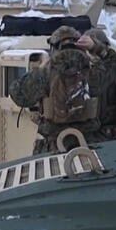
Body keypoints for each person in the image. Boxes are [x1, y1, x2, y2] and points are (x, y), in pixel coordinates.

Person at [9, 26, 100, 154]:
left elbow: (18, 95)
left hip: (55, 145)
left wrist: (40, 69)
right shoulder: (94, 69)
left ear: (54, 46)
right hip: (90, 143)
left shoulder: (45, 72)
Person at [77, 28, 116, 141]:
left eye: (91, 50)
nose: (90, 55)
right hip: (86, 136)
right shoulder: (81, 71)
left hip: (111, 135)